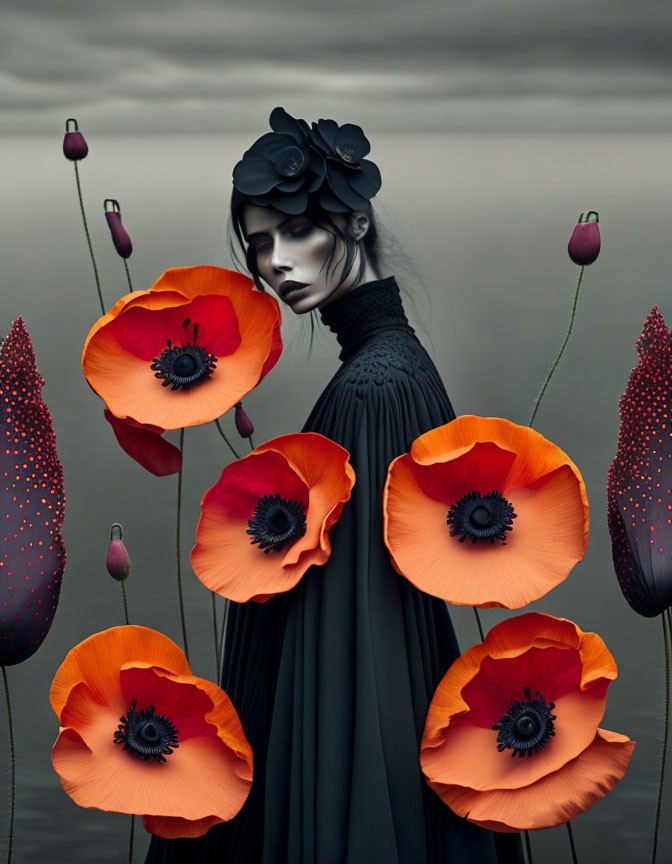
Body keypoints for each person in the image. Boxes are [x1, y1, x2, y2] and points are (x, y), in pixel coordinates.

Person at [146, 108, 524, 864]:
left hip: (348, 734)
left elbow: (359, 633)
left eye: (296, 233)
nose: (278, 263)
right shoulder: (397, 366)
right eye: (259, 247)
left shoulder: (371, 389)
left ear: (353, 221)